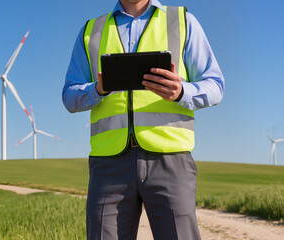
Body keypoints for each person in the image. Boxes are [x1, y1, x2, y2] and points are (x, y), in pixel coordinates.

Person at [62, 0, 224, 239]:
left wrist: (181, 91)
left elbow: (215, 86)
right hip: (108, 165)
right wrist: (97, 89)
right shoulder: (91, 30)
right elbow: (69, 95)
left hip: (171, 160)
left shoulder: (182, 21)